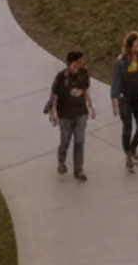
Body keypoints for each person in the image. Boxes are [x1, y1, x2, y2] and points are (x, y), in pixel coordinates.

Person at [43, 49, 96, 181]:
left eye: (80, 63)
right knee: (65, 140)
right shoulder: (61, 77)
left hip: (80, 113)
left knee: (79, 141)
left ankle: (78, 170)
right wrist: (51, 111)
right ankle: (61, 161)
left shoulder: (84, 74)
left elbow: (85, 89)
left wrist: (90, 104)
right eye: (75, 63)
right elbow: (54, 94)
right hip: (65, 114)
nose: (78, 65)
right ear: (69, 63)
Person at [109, 32, 138, 172]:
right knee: (127, 127)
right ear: (130, 46)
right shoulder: (120, 62)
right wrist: (114, 102)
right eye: (137, 44)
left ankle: (133, 147)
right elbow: (115, 83)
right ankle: (128, 154)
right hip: (126, 99)